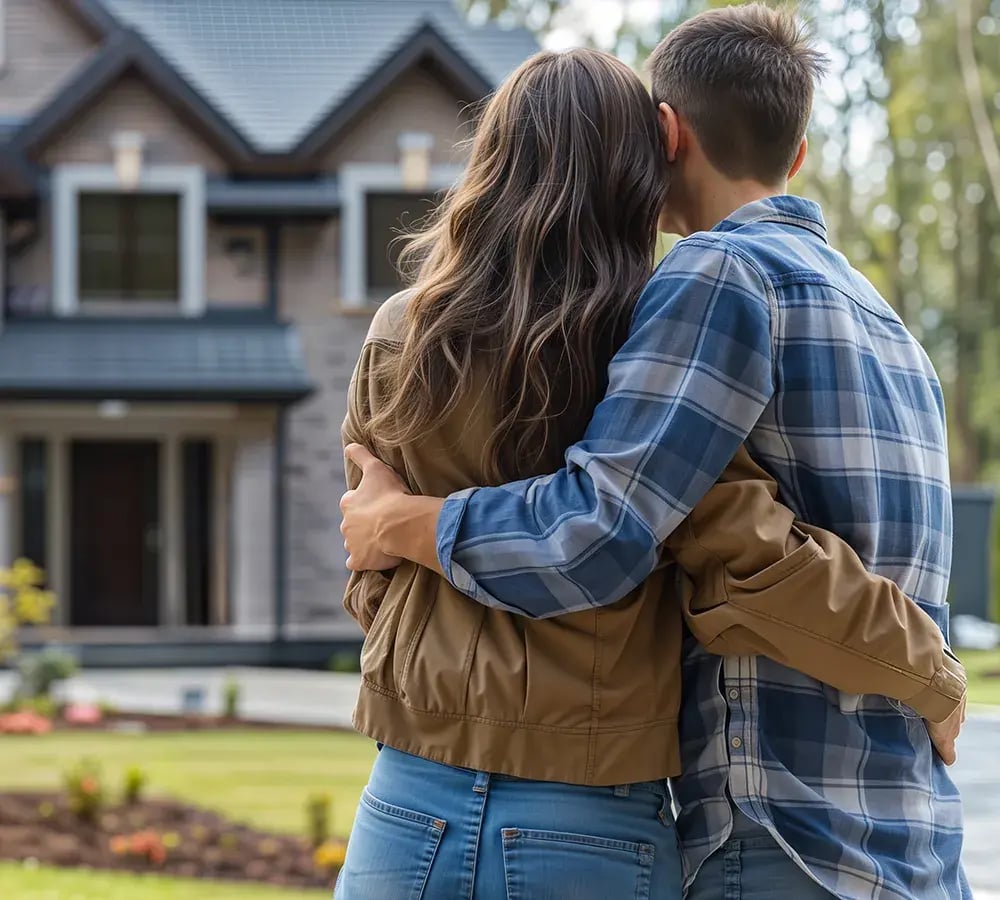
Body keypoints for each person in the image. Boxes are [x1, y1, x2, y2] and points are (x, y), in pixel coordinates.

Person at [336, 37, 967, 900]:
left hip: (410, 789)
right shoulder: (873, 328)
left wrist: (405, 537)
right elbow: (743, 548)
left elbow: (367, 554)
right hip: (619, 805)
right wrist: (927, 668)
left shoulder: (401, 333)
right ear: (799, 154)